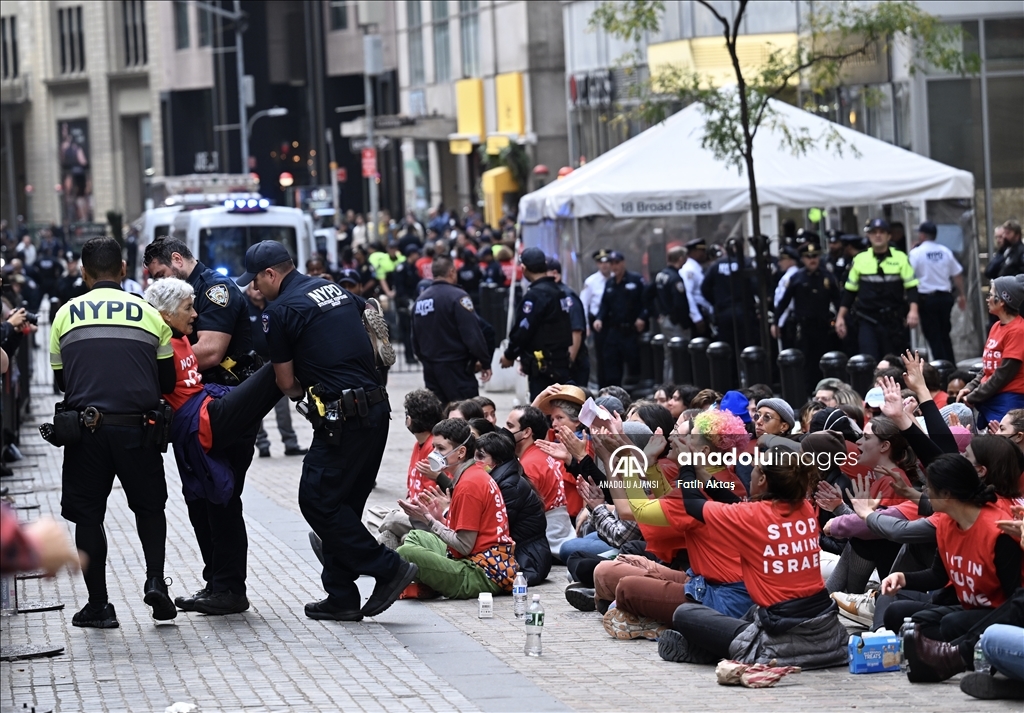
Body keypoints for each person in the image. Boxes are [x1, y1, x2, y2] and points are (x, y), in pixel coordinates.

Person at [236, 241, 417, 621]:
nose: (254, 289)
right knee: (344, 506)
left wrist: (309, 386)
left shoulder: (280, 311)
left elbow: (286, 383)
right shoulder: (335, 290)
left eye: (256, 281)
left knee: (316, 500)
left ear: (271, 274)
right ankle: (341, 596)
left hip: (342, 418)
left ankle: (387, 567)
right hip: (375, 410)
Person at [49, 237, 177, 628]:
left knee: (88, 516)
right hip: (139, 430)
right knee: (149, 508)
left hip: (86, 433)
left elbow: (60, 382)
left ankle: (99, 605)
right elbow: (167, 379)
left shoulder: (64, 315)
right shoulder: (150, 313)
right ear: (123, 270)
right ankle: (155, 579)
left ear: (84, 274)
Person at [145, 278, 283, 615]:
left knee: (217, 503)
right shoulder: (156, 341)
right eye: (188, 309)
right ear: (164, 315)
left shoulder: (177, 336)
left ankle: (225, 587)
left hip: (208, 410)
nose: (195, 315)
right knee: (211, 504)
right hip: (201, 421)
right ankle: (222, 586)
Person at [659, 445, 848, 668]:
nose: (751, 472)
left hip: (779, 637)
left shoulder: (752, 516)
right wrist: (702, 473)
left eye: (755, 469)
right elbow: (736, 505)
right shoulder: (804, 508)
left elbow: (693, 506)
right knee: (750, 613)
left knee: (684, 614)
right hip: (826, 629)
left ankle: (706, 650)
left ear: (762, 480)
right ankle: (705, 650)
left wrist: (686, 468)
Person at [396, 419, 518, 599]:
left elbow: (464, 545)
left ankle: (427, 584)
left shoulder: (469, 484)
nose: (434, 454)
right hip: (477, 559)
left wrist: (429, 520)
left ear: (461, 452)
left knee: (405, 553)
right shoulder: (472, 474)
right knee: (416, 536)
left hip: (482, 572)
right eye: (434, 448)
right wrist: (439, 518)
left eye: (441, 449)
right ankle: (432, 583)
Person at [143, 238, 254, 386]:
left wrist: (159, 367)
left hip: (227, 390)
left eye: (162, 275)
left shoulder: (214, 289)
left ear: (177, 259)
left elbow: (210, 352)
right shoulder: (181, 291)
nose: (161, 282)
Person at [412, 255, 492, 403]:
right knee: (465, 413)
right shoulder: (458, 297)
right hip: (456, 368)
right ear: (452, 271)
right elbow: (472, 334)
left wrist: (427, 361)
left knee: (439, 415)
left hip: (431, 369)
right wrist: (485, 361)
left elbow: (415, 340)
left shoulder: (420, 301)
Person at [835, 218, 920, 359]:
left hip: (893, 321)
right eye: (874, 232)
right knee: (869, 360)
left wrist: (913, 311)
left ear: (889, 236)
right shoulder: (860, 259)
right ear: (869, 236)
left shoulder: (901, 258)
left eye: (882, 232)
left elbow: (911, 287)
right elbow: (850, 292)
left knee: (894, 363)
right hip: (867, 319)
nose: (878, 235)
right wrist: (840, 317)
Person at [474, 431, 551, 586]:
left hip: (528, 560)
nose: (475, 461)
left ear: (498, 461)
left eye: (481, 456)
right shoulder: (502, 480)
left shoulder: (509, 486)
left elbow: (492, 528)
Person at [500, 248, 573, 400]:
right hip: (561, 362)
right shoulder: (559, 291)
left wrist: (509, 354)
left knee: (543, 410)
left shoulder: (536, 295)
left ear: (524, 268)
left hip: (544, 368)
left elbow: (523, 329)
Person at [245, 283, 306, 458]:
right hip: (254, 363)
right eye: (253, 288)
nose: (257, 291)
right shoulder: (243, 307)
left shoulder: (273, 305)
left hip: (275, 361)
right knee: (255, 407)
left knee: (282, 406)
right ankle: (262, 444)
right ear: (248, 291)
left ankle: (290, 443)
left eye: (258, 288)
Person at [506, 405, 574, 558]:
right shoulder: (539, 455)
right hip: (560, 530)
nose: (505, 431)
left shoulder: (530, 465)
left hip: (547, 538)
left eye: (510, 426)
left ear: (526, 432)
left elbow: (517, 513)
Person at [958, 275, 1024, 424]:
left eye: (990, 295)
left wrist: (974, 396)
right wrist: (971, 387)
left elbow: (1003, 374)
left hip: (1008, 401)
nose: (987, 299)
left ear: (1002, 301)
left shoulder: (1018, 331)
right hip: (990, 396)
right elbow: (988, 368)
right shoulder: (996, 326)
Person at [775, 244, 840, 383]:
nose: (812, 260)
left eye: (815, 256)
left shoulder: (827, 277)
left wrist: (841, 320)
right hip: (803, 327)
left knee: (823, 360)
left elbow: (838, 301)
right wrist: (776, 323)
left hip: (823, 326)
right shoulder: (797, 277)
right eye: (808, 257)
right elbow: (783, 303)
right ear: (803, 259)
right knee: (805, 361)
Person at [909, 221, 966, 362]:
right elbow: (957, 274)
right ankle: (950, 365)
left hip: (927, 299)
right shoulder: (945, 251)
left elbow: (909, 274)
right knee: (944, 334)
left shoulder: (916, 253)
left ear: (922, 235)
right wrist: (962, 295)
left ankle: (941, 368)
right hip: (945, 298)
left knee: (933, 335)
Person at [593, 251, 647, 388]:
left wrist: (642, 318)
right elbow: (604, 305)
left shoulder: (635, 280)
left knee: (634, 364)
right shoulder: (610, 283)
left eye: (617, 263)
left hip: (631, 330)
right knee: (611, 364)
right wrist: (599, 318)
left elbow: (646, 302)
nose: (614, 266)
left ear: (623, 263)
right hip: (614, 330)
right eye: (611, 263)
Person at [650, 246, 692, 382]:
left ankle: (668, 384)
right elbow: (679, 304)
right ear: (680, 259)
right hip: (675, 322)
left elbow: (648, 295)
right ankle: (677, 384)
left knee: (669, 355)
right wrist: (684, 323)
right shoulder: (675, 278)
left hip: (665, 319)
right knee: (678, 354)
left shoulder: (661, 275)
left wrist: (658, 314)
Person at [548, 257, 590, 388]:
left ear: (555, 274)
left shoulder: (566, 296)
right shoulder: (551, 295)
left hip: (573, 364)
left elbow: (576, 332)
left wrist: (569, 363)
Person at [581, 249, 612, 385]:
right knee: (601, 356)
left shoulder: (616, 278)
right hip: (598, 324)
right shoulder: (592, 281)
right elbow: (584, 304)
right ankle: (602, 384)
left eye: (607, 262)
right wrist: (586, 325)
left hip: (614, 321)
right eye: (601, 262)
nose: (604, 265)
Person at [771, 246, 801, 350]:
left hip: (788, 319)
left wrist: (778, 322)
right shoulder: (790, 275)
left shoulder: (790, 277)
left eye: (782, 260)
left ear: (790, 260)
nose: (779, 263)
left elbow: (784, 303)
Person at [680, 238, 712, 335]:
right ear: (693, 252)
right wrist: (696, 317)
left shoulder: (697, 268)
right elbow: (688, 294)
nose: (704, 254)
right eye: (701, 251)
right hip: (699, 312)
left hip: (705, 312)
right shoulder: (689, 270)